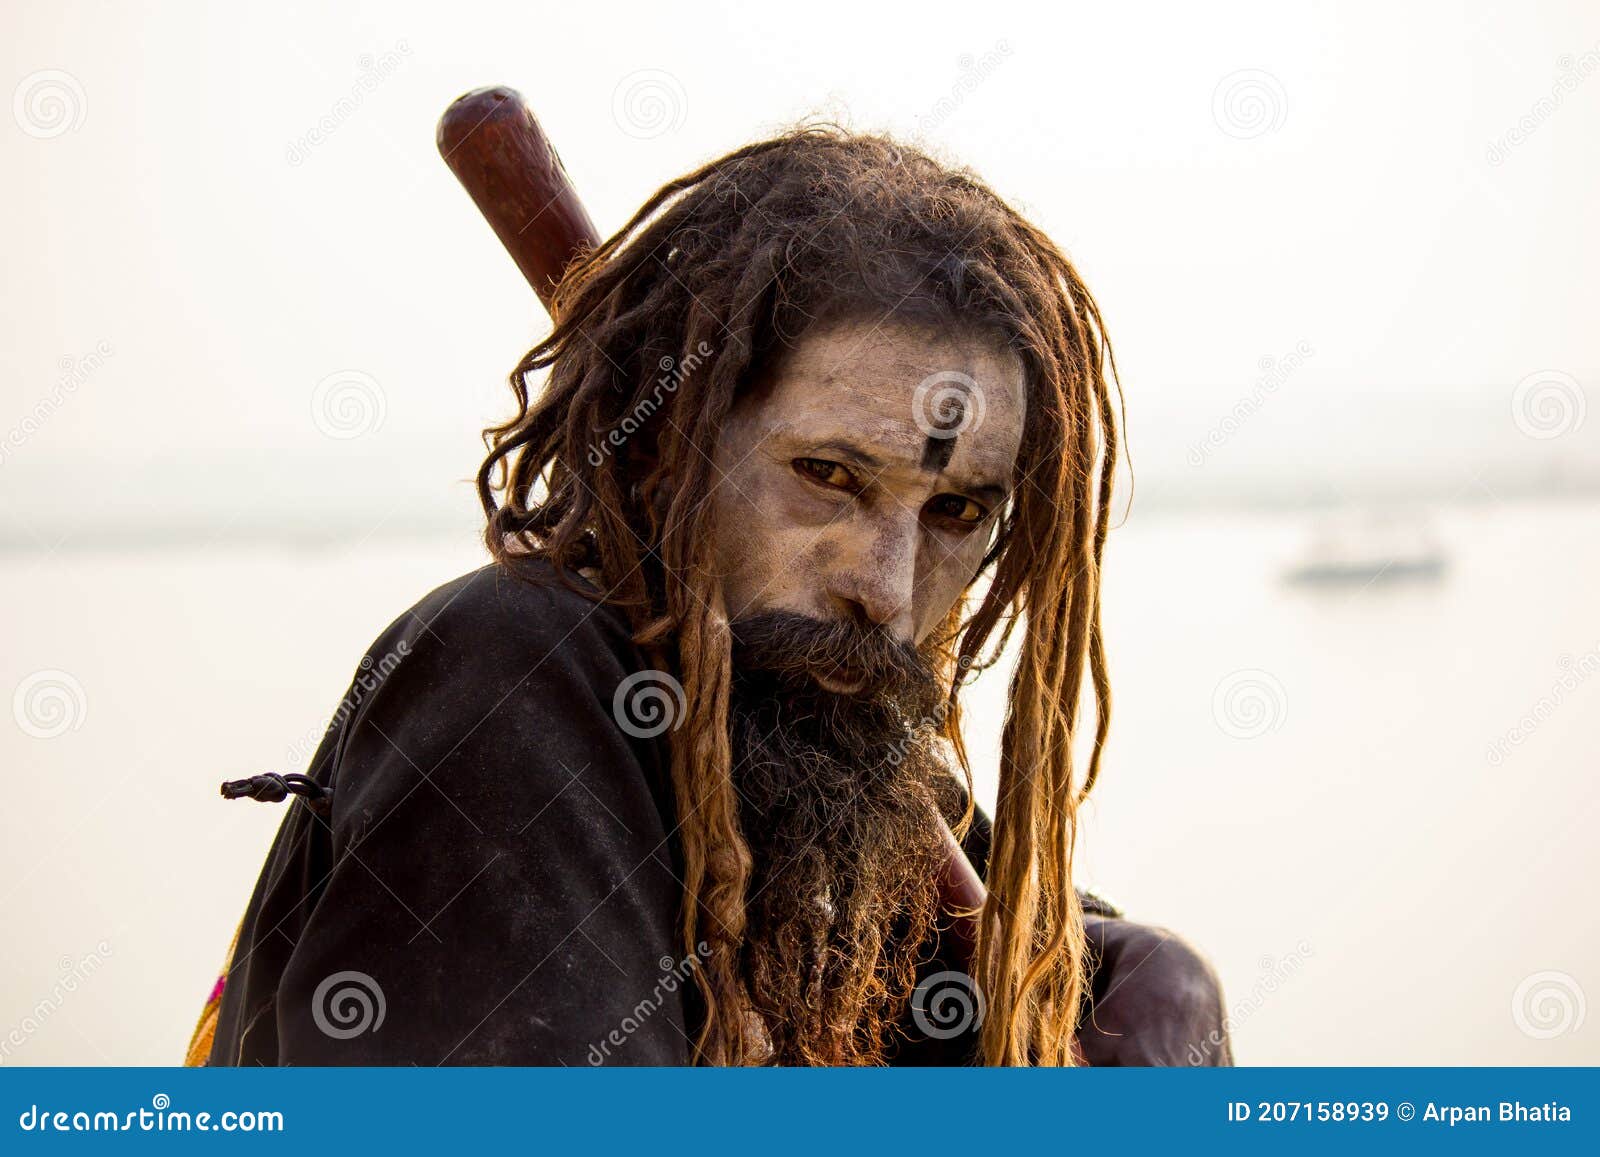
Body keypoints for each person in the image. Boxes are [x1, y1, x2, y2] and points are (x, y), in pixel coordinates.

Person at [199, 126, 1231, 1067]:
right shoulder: (514, 674)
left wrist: (1122, 987)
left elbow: (1006, 1011)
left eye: (955, 511)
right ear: (665, 453)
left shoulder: (828, 752)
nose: (886, 587)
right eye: (828, 475)